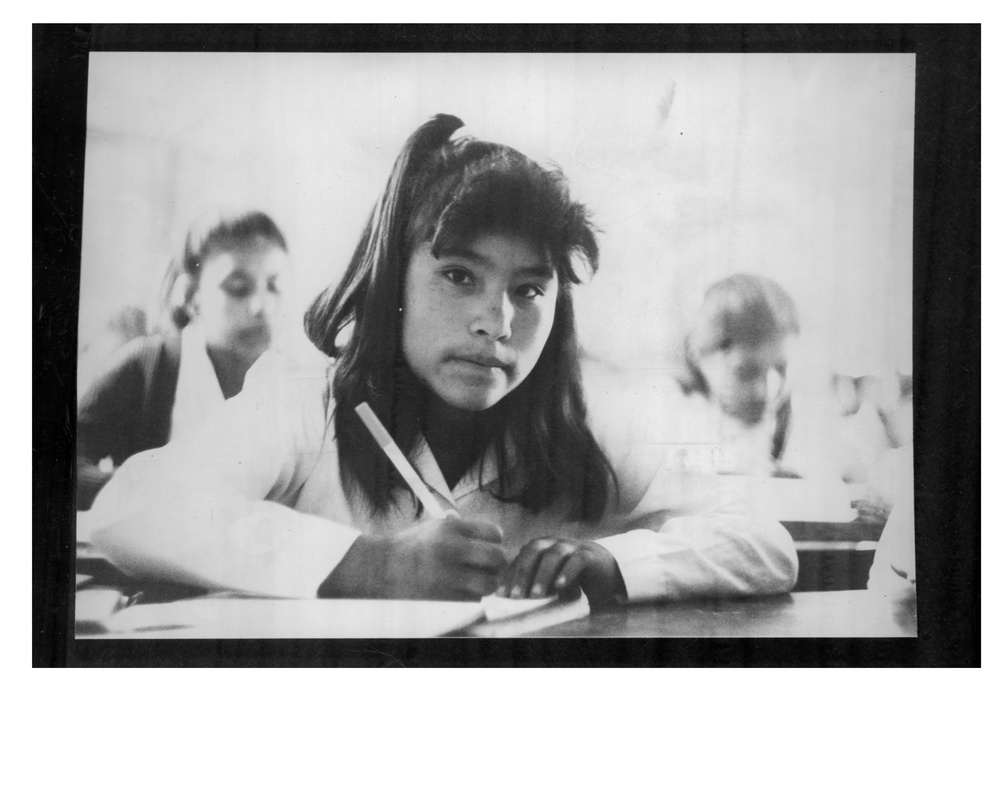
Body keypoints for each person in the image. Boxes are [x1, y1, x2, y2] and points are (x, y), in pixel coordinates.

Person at [88, 115, 797, 609]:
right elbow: (130, 505)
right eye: (459, 276)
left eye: (529, 289)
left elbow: (761, 533)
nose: (498, 320)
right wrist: (367, 564)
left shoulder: (592, 421)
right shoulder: (308, 402)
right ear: (394, 281)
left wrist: (620, 564)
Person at [77, 209, 291, 509]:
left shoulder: (299, 381)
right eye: (238, 289)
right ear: (191, 295)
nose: (261, 306)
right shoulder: (147, 366)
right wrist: (144, 493)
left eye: (274, 286)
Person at [676, 273, 800, 477]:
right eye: (746, 372)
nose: (764, 393)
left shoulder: (780, 417)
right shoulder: (682, 414)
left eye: (779, 371)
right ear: (699, 354)